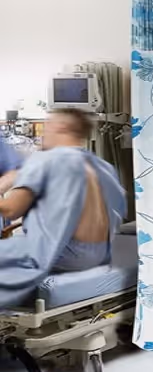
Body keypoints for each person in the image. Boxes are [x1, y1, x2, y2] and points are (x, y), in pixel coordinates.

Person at [0, 108, 126, 298]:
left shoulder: (46, 160)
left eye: (47, 125)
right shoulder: (102, 165)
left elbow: (10, 210)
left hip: (60, 256)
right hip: (98, 255)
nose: (43, 132)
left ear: (61, 127)